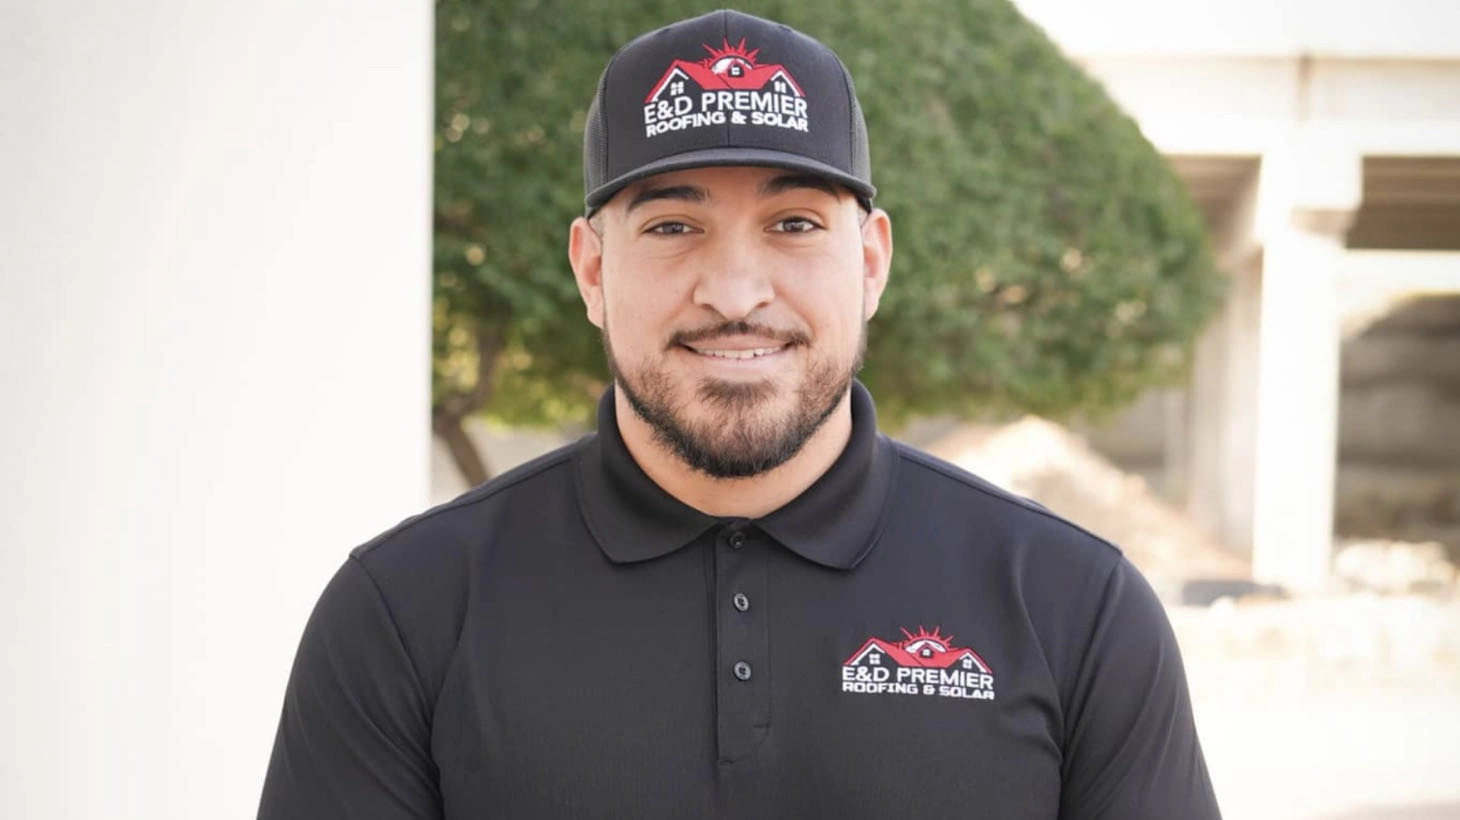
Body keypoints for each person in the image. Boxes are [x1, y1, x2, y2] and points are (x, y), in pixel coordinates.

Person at [258, 9, 1221, 819]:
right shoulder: (405, 613)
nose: (733, 291)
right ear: (592, 270)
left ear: (871, 262)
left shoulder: (1073, 607)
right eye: (673, 226)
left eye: (794, 224)